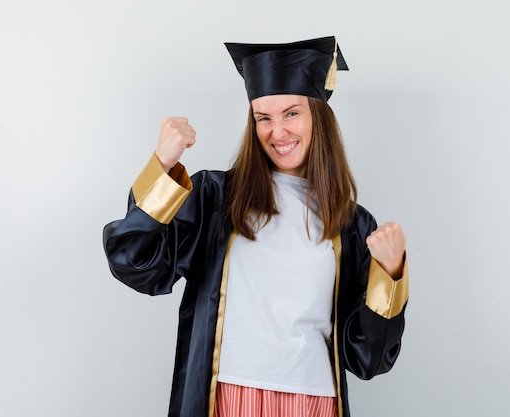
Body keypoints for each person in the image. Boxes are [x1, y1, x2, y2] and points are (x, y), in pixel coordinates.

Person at [102, 36, 409, 417]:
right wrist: (161, 165)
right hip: (225, 395)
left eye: (292, 113)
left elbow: (368, 359)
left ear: (318, 116)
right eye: (263, 117)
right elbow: (134, 263)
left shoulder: (351, 225)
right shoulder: (214, 198)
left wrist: (391, 275)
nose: (277, 131)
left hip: (313, 401)